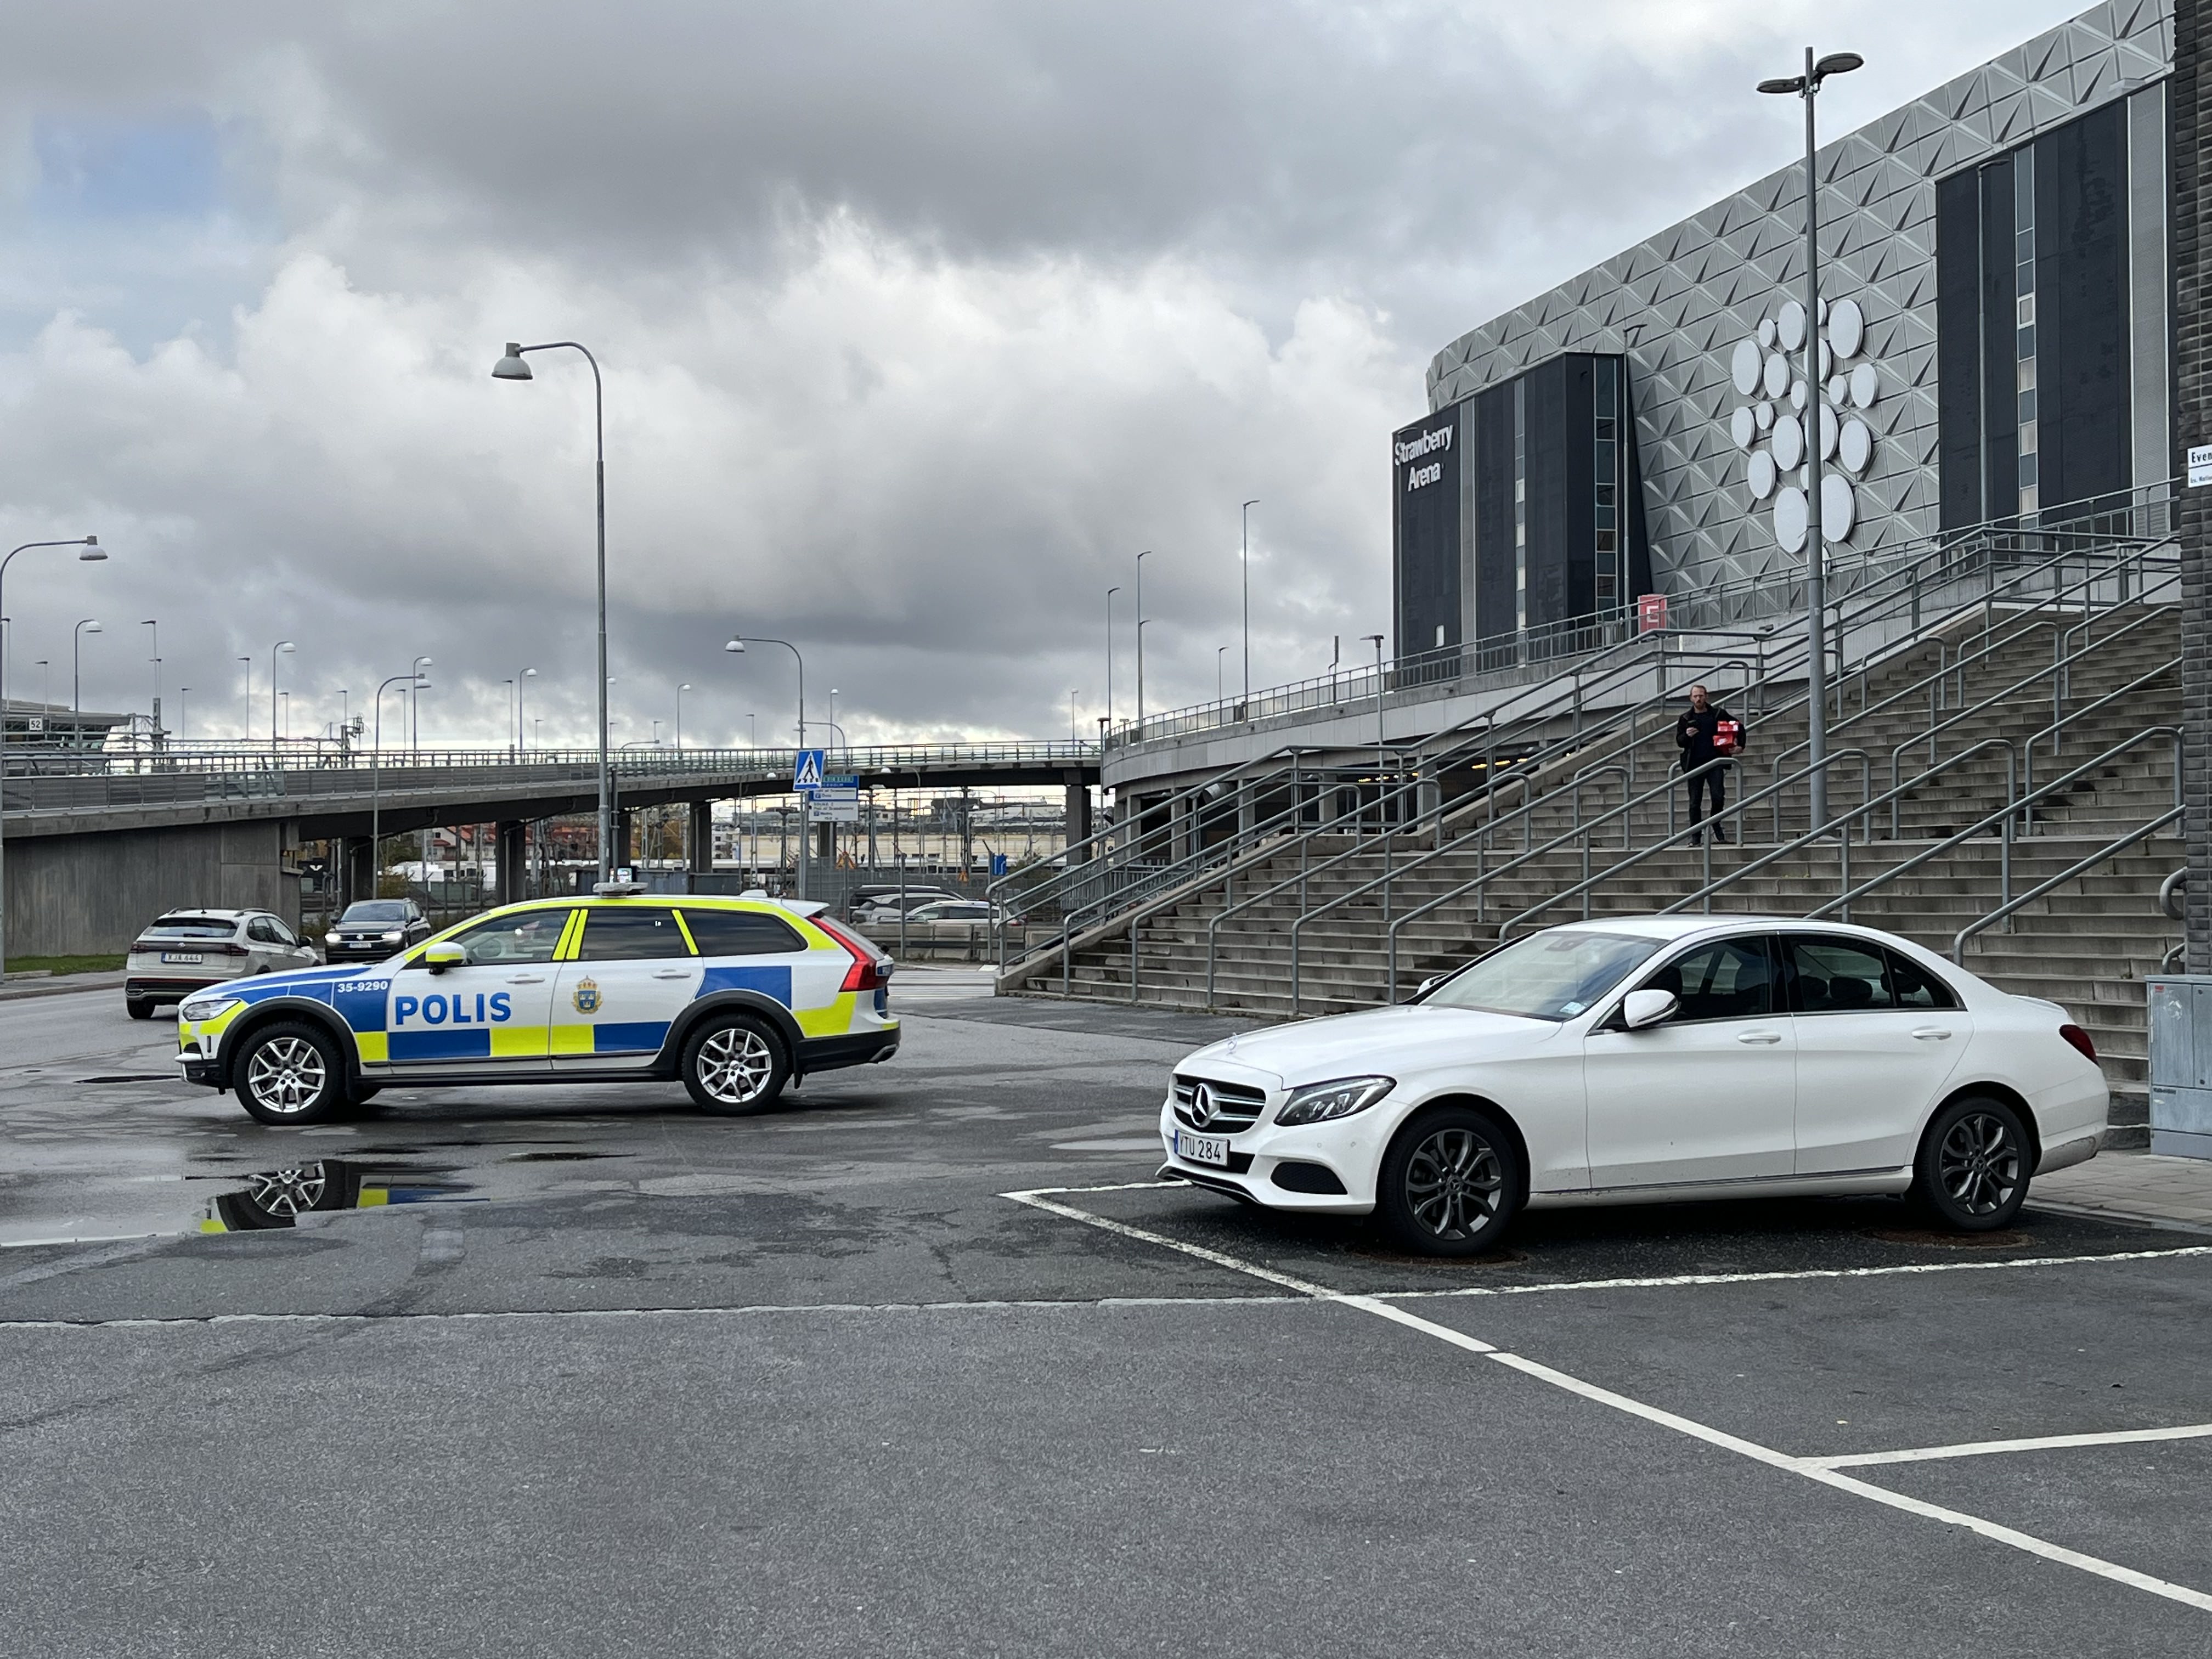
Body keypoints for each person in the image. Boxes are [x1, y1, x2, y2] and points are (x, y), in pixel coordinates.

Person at [1674, 683, 1743, 845]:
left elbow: (1738, 726)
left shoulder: (1717, 714)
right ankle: (1695, 837)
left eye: (1701, 695)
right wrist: (1687, 735)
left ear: (1706, 696)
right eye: (1695, 696)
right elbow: (1680, 742)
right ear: (1691, 698)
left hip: (1715, 762)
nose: (1698, 699)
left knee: (1718, 796)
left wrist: (1740, 746)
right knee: (1694, 802)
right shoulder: (1686, 718)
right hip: (1694, 765)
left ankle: (1715, 825)